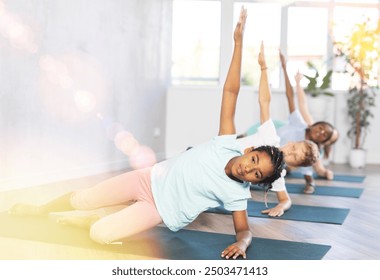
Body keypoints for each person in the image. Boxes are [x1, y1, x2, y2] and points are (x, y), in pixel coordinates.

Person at [8, 7, 285, 260]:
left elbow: (244, 231)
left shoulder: (236, 194)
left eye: (257, 174)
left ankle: (90, 221)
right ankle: (39, 209)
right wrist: (238, 43)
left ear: (256, 182)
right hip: (148, 178)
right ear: (249, 151)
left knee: (100, 235)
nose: (249, 170)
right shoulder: (225, 144)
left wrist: (243, 244)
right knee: (83, 198)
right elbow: (231, 92)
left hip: (158, 210)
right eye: (254, 161)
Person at [236, 43, 319, 216]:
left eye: (295, 157)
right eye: (294, 149)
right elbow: (264, 103)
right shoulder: (270, 137)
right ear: (290, 143)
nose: (291, 153)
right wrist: (264, 68)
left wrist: (281, 206)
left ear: (294, 167)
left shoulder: (277, 174)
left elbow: (286, 199)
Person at [278, 51, 339, 194]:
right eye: (323, 128)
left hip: (287, 157)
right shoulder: (303, 123)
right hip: (277, 142)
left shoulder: (313, 150)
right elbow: (300, 102)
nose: (322, 132)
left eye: (326, 135)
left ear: (324, 142)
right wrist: (295, 80)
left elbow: (314, 168)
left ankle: (290, 169)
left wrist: (316, 178)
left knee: (309, 159)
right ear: (317, 124)